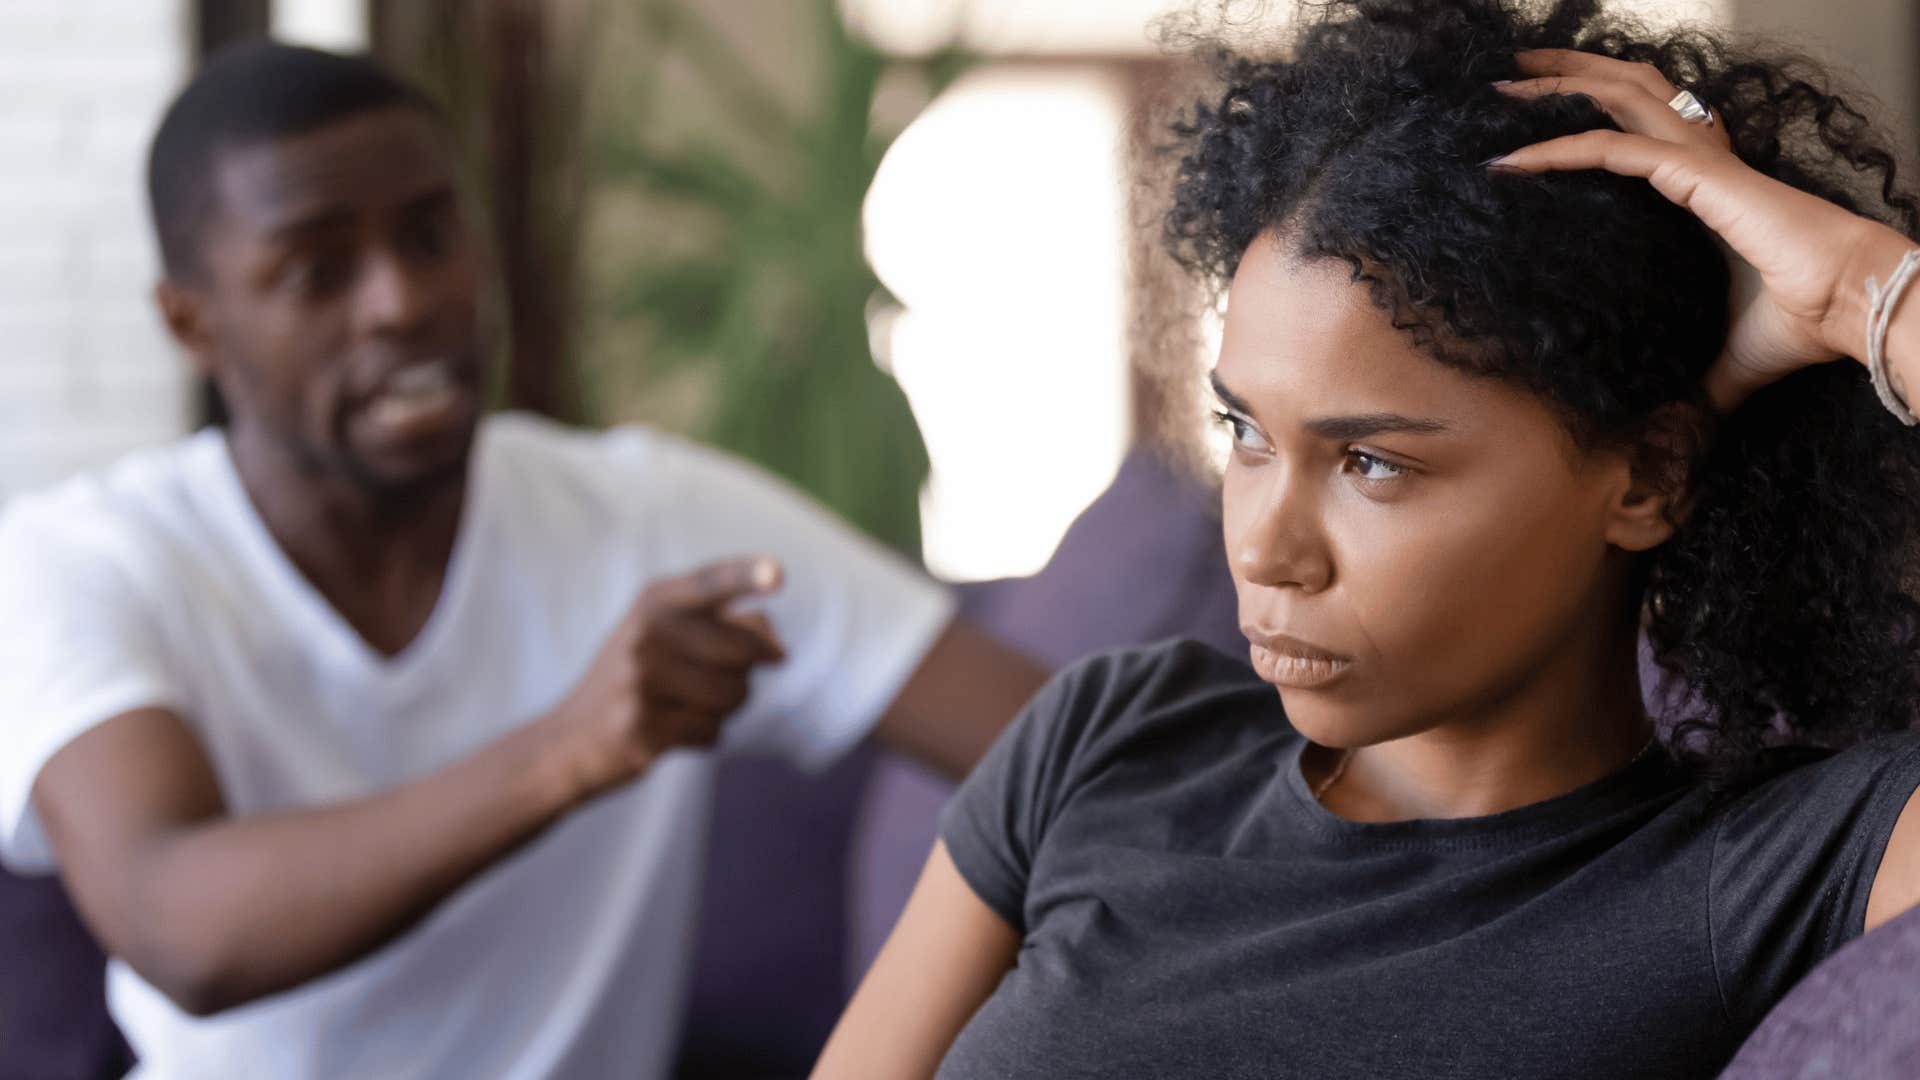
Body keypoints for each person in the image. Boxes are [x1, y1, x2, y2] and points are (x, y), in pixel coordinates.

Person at [812, 1, 1920, 1076]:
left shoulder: (1774, 870)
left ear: (1649, 476)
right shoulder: (1106, 742)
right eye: (1246, 433)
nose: (1265, 553)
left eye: (1372, 463)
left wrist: (1858, 290)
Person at [0, 41, 1045, 1079]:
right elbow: (176, 924)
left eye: (431, 236)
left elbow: (1066, 754)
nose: (400, 301)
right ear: (191, 322)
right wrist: (571, 748)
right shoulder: (85, 560)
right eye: (319, 270)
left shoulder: (653, 517)